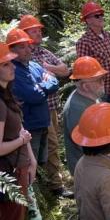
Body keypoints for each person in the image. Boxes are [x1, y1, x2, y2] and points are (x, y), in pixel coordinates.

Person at [7, 28, 59, 220]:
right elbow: (32, 95)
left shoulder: (34, 65)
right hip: (29, 128)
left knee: (42, 162)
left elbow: (54, 82)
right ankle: (31, 212)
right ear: (12, 51)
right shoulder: (13, 71)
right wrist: (43, 85)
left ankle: (43, 200)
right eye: (23, 46)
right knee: (29, 168)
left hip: (43, 122)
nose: (29, 48)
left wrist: (42, 84)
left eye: (28, 45)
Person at [19, 14, 73, 198]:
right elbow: (33, 89)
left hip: (52, 108)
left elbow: (65, 70)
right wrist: (47, 77)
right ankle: (52, 185)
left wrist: (45, 68)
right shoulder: (21, 56)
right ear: (25, 34)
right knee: (44, 146)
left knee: (52, 145)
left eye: (40, 30)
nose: (39, 33)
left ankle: (52, 182)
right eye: (34, 30)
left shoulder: (44, 53)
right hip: (35, 111)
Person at [0, 42, 37, 220]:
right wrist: (21, 140)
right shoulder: (0, 103)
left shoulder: (7, 95)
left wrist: (31, 159)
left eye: (10, 62)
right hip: (9, 172)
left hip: (18, 167)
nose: (12, 67)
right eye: (5, 64)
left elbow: (20, 129)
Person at [63, 56, 107, 175]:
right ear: (85, 86)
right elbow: (84, 146)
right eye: (99, 80)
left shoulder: (92, 97)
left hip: (99, 161)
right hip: (87, 170)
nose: (103, 82)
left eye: (103, 78)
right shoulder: (76, 109)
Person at [76, 0, 110, 109]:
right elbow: (85, 74)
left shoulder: (108, 36)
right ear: (88, 20)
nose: (101, 17)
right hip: (100, 93)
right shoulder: (84, 42)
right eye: (97, 16)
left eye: (102, 15)